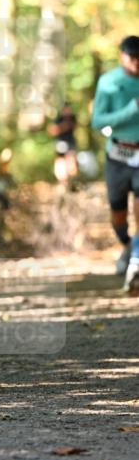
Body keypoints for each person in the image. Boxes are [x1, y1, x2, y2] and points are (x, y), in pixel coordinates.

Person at [91, 34, 139, 293]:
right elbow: (98, 121)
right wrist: (132, 110)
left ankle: (137, 260)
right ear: (122, 56)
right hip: (118, 155)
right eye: (132, 58)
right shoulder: (109, 82)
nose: (136, 63)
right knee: (118, 214)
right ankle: (128, 245)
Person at [47, 102, 78, 190]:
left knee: (71, 163)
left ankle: (71, 182)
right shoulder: (58, 118)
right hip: (60, 143)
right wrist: (63, 127)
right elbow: (52, 130)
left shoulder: (73, 118)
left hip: (70, 142)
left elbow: (74, 126)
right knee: (60, 163)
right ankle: (63, 182)